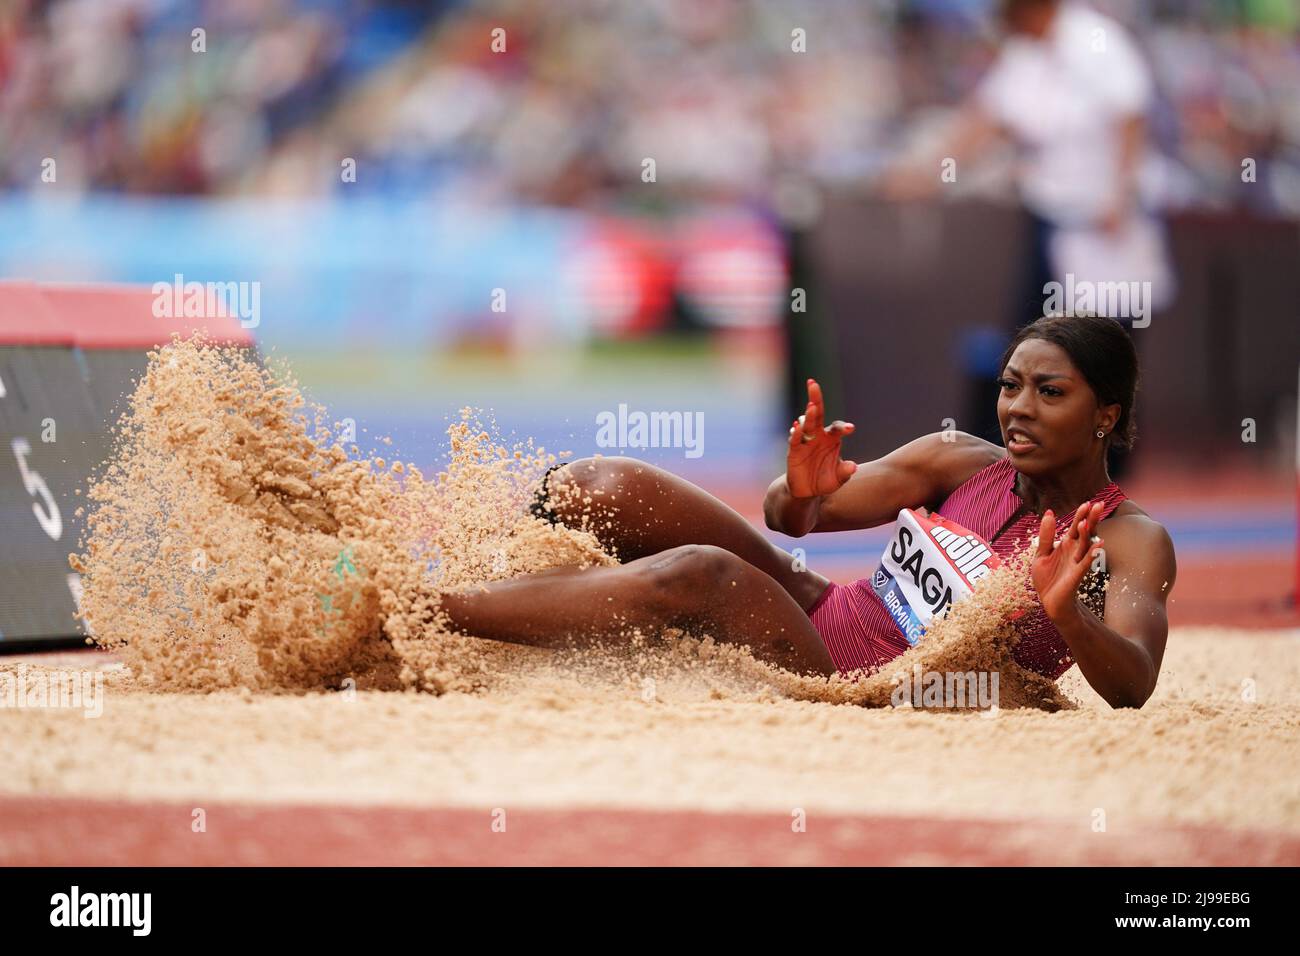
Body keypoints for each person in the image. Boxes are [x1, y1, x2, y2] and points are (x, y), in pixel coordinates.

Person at [440, 314, 1175, 709]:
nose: (1018, 408)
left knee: (702, 574)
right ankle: (487, 592)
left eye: (1050, 393)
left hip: (863, 686)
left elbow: (1133, 687)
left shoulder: (1130, 539)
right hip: (818, 615)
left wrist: (1069, 615)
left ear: (1105, 414)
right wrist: (800, 489)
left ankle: (426, 612)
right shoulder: (961, 461)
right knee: (606, 481)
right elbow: (791, 523)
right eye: (1011, 385)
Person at [883, 0, 1174, 477]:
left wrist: (1119, 193)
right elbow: (983, 123)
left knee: (1107, 352)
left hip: (1107, 230)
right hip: (1053, 224)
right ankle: (1020, 463)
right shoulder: (1025, 57)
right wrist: (927, 172)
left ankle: (1108, 471)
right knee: (1033, 344)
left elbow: (1131, 113)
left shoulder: (1093, 41)